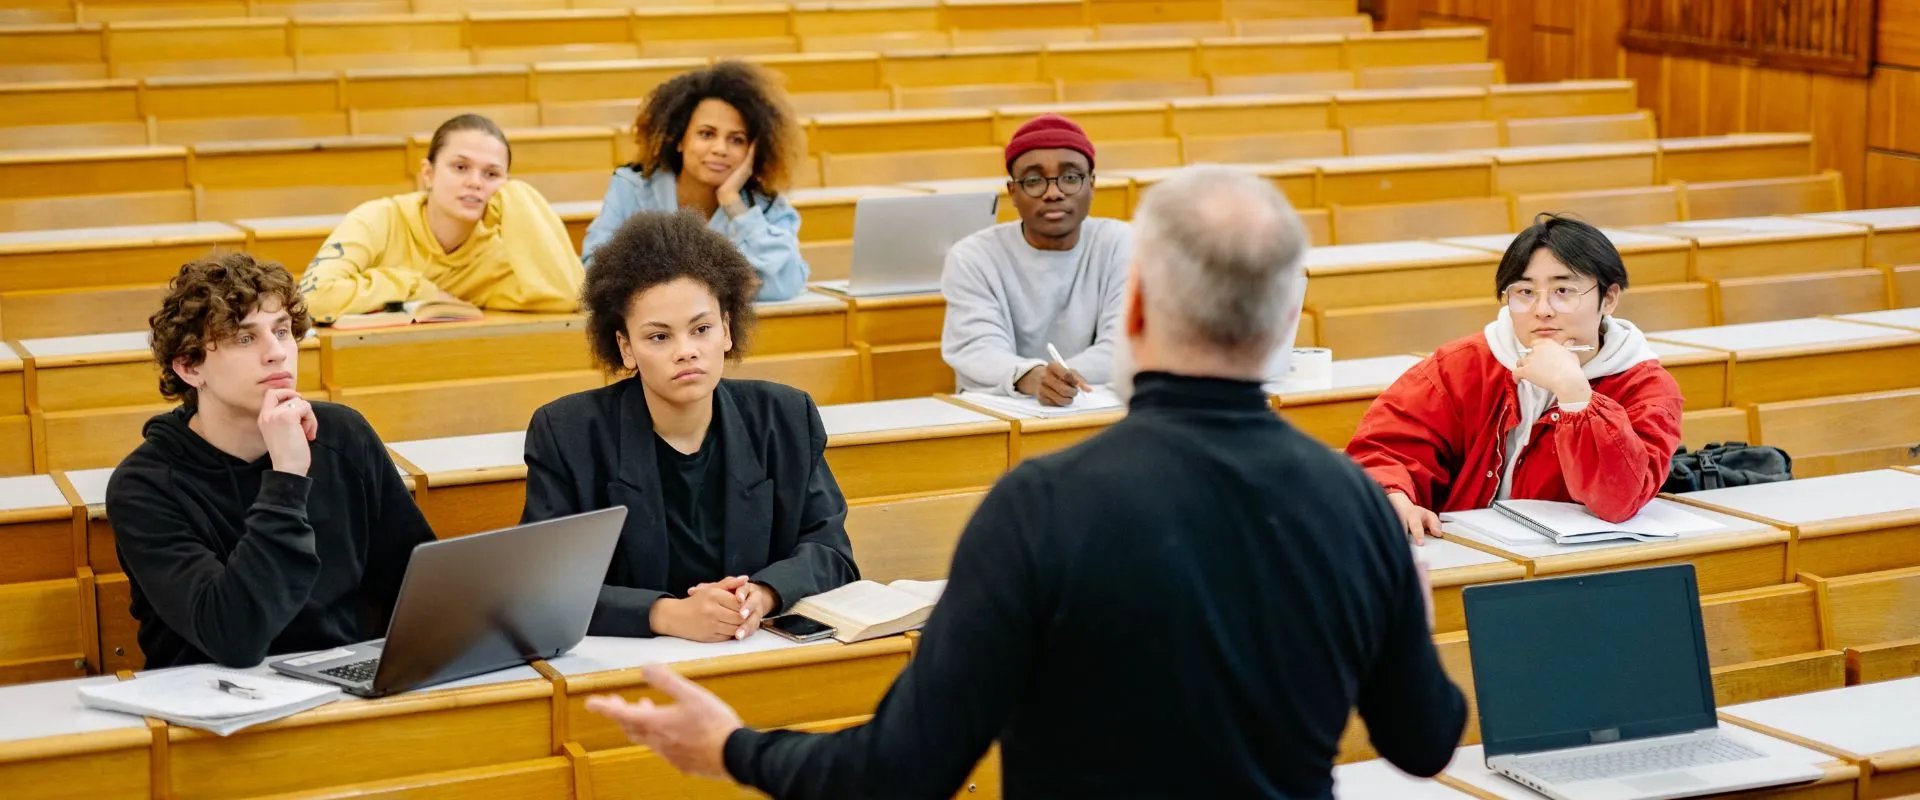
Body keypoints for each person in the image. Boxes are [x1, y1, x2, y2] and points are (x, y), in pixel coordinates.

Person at [584, 167, 1467, 798]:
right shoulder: (1354, 502)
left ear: (1133, 310)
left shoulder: (1044, 506)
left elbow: (904, 769)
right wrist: (1405, 618)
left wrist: (732, 747)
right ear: (1284, 318)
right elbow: (1425, 742)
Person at [521, 211, 857, 642]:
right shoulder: (566, 433)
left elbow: (832, 553)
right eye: (659, 337)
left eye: (701, 329)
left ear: (727, 330)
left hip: (754, 648)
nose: (686, 351)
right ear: (625, 347)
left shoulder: (786, 416)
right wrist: (665, 615)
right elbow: (544, 586)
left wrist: (763, 594)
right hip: (631, 665)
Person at [106, 253, 435, 669]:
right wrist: (287, 479)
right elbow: (235, 637)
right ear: (190, 368)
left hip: (344, 682)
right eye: (245, 339)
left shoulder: (343, 436)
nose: (276, 352)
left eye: (281, 331)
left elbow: (421, 585)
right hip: (216, 695)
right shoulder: (144, 486)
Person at [1347, 214, 1684, 539]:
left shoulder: (1647, 388)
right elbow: (1386, 449)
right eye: (1524, 292)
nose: (1542, 310)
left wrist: (1576, 397)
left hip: (1575, 564)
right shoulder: (1464, 364)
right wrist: (1392, 494)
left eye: (1563, 291)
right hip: (1466, 550)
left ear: (1608, 299)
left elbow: (1620, 500)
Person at [300, 113, 585, 324]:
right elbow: (312, 298)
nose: (475, 182)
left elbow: (569, 297)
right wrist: (416, 287)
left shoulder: (498, 253)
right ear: (428, 173)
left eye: (492, 174)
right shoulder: (378, 219)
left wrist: (517, 196)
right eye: (460, 167)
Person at [940, 113, 1132, 406]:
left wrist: (1059, 380)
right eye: (1033, 181)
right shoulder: (973, 256)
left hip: (1097, 406)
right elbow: (975, 348)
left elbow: (1125, 344)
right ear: (1013, 192)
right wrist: (1031, 376)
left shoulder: (1123, 243)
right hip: (1001, 410)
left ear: (1092, 185)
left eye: (1070, 178)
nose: (1053, 193)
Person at [580, 61, 809, 302]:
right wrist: (726, 283)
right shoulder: (633, 188)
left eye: (736, 140)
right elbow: (595, 269)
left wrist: (733, 203)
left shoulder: (764, 205)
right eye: (706, 134)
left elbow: (788, 283)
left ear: (753, 151)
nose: (720, 149)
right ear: (680, 139)